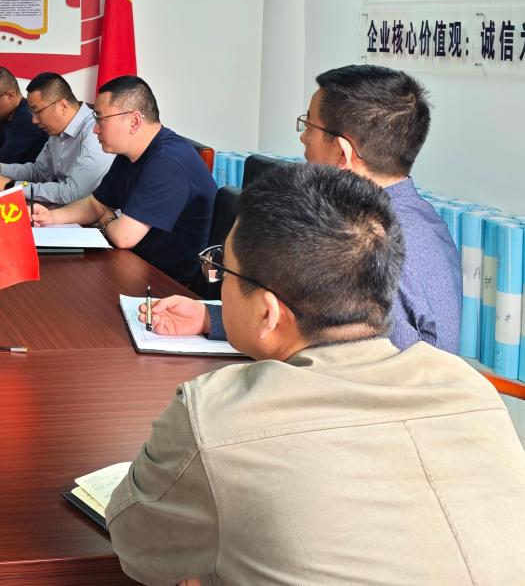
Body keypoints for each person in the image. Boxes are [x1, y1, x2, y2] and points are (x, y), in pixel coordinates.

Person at [107, 162, 525, 585]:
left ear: (268, 313)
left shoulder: (216, 417)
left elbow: (135, 544)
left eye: (222, 270)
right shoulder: (470, 388)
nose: (217, 282)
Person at [142, 65, 461, 352]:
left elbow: (366, 365)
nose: (304, 139)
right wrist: (210, 318)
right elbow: (318, 324)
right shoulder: (417, 218)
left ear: (342, 152)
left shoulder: (367, 240)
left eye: (309, 125)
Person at [32, 75, 216, 290]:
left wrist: (106, 219)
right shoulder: (129, 154)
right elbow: (96, 204)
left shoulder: (167, 162)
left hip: (170, 285)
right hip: (137, 266)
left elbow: (123, 236)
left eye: (100, 119)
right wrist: (51, 217)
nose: (95, 129)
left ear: (134, 121)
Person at [0, 72, 112, 203]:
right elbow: (39, 172)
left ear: (62, 105)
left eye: (38, 112)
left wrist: (10, 186)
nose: (34, 120)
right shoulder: (57, 129)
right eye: (32, 113)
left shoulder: (94, 132)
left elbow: (73, 193)